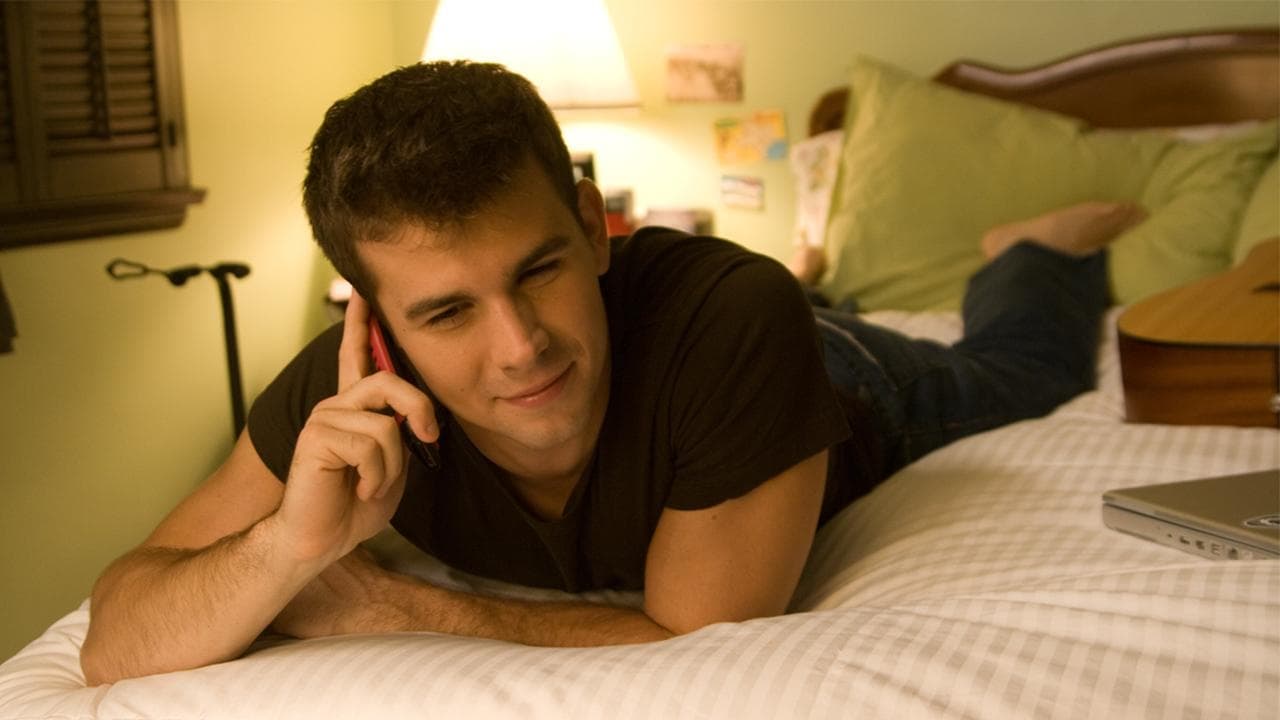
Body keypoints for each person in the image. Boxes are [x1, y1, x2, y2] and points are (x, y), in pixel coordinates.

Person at [78, 61, 1145, 686]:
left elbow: (698, 635)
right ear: (375, 318)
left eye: (537, 271)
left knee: (1020, 370)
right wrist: (287, 549)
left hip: (844, 378)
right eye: (447, 312)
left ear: (595, 227)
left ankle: (1028, 251)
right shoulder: (344, 394)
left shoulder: (733, 313)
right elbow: (115, 637)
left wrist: (382, 606)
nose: (520, 347)